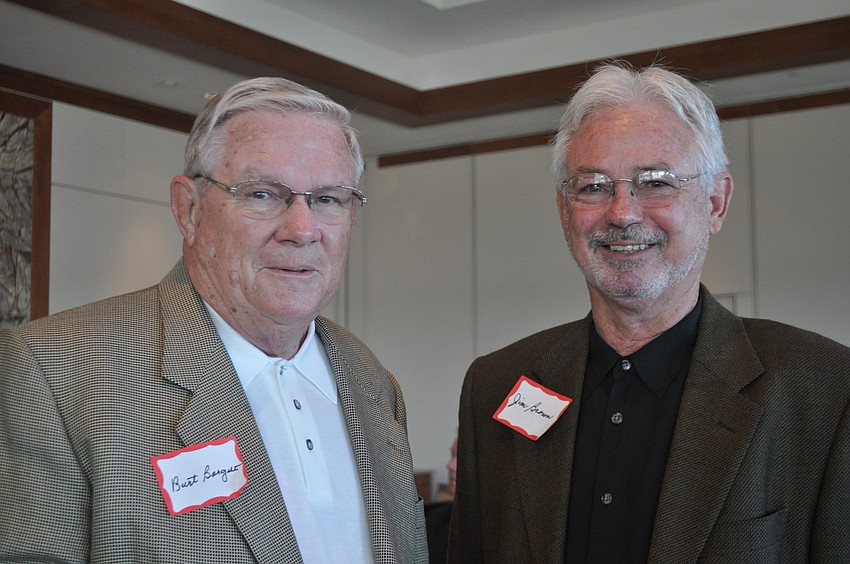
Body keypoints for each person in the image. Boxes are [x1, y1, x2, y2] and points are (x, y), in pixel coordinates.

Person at [0, 77, 427, 563]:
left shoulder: (373, 380)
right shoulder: (54, 369)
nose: (303, 230)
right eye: (263, 194)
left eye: (328, 198)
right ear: (189, 210)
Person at [447, 63, 850, 563]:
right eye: (593, 186)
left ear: (716, 203)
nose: (622, 212)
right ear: (564, 209)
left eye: (655, 182)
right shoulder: (495, 386)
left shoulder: (825, 390)